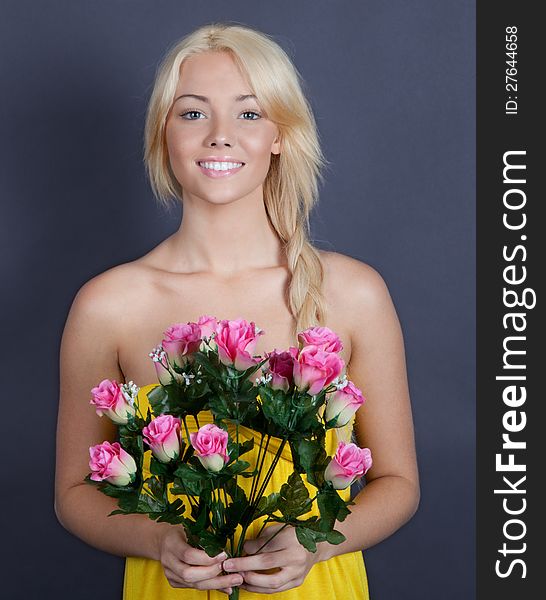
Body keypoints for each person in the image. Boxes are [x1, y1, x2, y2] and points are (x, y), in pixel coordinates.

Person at [54, 22, 420, 599]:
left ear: (279, 134)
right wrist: (158, 540)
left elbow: (398, 483)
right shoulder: (108, 304)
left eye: (248, 114)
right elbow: (73, 492)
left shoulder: (353, 293)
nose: (220, 135)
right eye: (193, 113)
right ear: (164, 134)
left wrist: (314, 541)